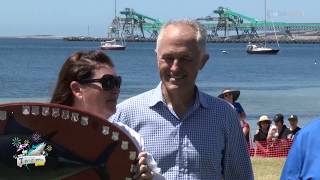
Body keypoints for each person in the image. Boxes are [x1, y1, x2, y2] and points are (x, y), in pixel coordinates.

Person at [112, 20, 253, 179]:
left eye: (185, 58)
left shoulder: (224, 115)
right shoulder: (126, 115)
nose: (175, 67)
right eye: (168, 58)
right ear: (157, 58)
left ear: (202, 61)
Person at [50, 50, 163, 179]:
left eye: (117, 82)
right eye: (108, 82)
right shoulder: (41, 134)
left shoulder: (130, 138)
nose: (116, 90)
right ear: (77, 89)